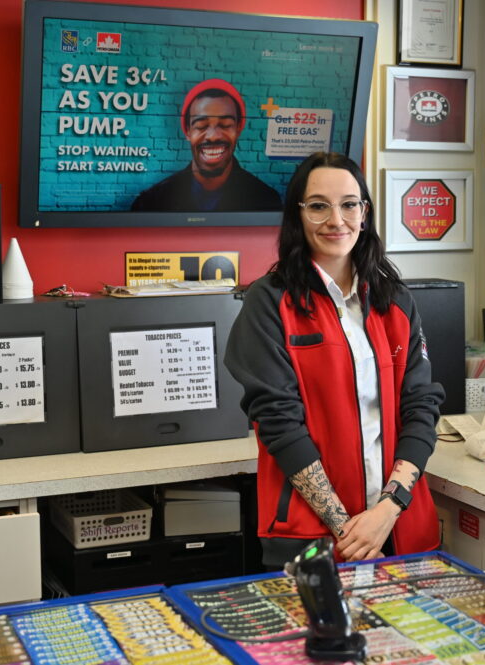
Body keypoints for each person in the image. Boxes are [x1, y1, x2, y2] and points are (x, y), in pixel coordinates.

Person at [224, 152, 445, 568]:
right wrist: (350, 532)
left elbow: (421, 406)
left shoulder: (394, 300)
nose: (336, 220)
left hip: (400, 530)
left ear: (364, 213)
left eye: (348, 204)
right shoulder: (269, 302)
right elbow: (279, 423)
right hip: (313, 539)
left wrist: (387, 511)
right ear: (298, 215)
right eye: (319, 206)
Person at [130, 78, 282, 212]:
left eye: (225, 124)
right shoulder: (150, 204)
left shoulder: (267, 201)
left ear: (238, 129)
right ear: (187, 131)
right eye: (201, 126)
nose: (213, 136)